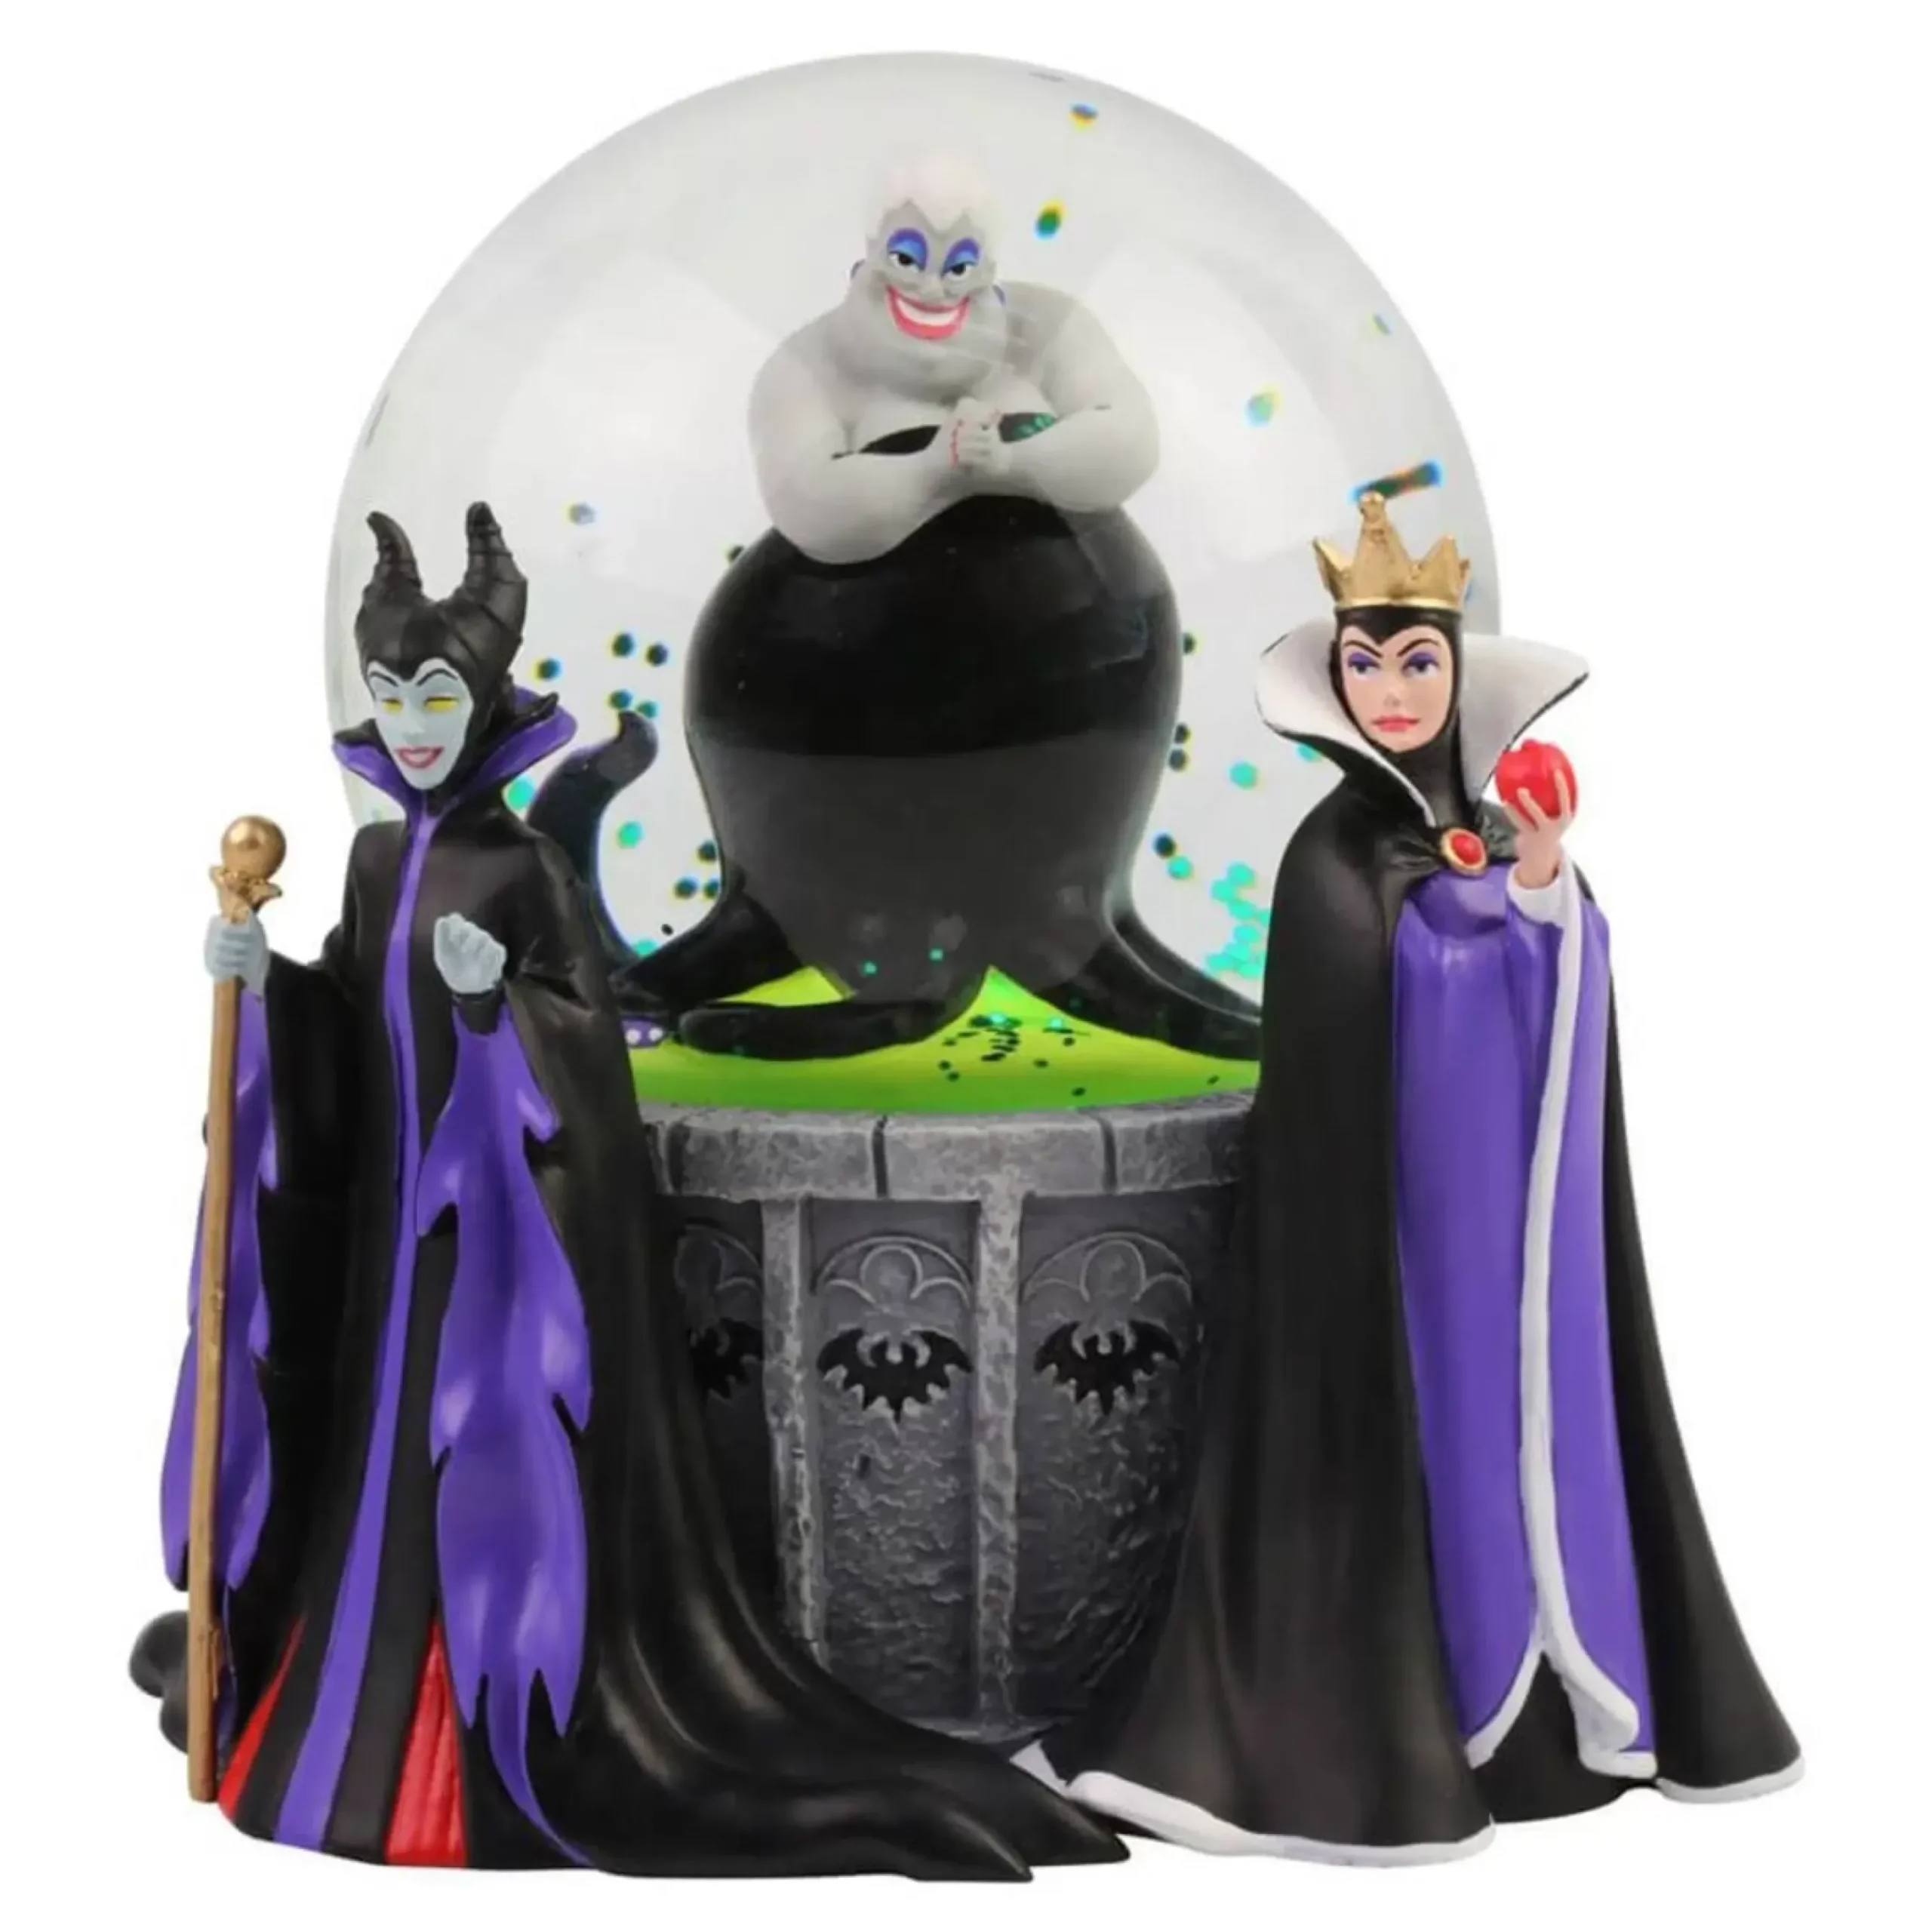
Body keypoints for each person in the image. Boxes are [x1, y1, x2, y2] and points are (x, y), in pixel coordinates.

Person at [130, 502, 1124, 1879]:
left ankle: (485, 1727)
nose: (411, 727)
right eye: (391, 697)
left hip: (490, 1242)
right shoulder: (377, 858)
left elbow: (583, 1048)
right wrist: (270, 990)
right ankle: (350, 1706)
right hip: (389, 1251)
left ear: (486, 700)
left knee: (478, 1464)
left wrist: (504, 1011)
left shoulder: (523, 868)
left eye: (436, 698)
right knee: (380, 1473)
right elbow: (349, 1014)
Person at [1017, 492, 1802, 1861]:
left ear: (1455, 671)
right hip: (1402, 1242)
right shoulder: (1334, 860)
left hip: (1522, 1228)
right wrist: (1478, 917)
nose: (1391, 692)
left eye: (1417, 662)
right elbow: (1375, 1002)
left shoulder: (1489, 831)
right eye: (1365, 664)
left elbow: (1562, 976)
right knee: (1441, 1441)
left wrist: (1541, 886)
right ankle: (1435, 1706)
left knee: (1545, 1419)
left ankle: (1565, 1700)